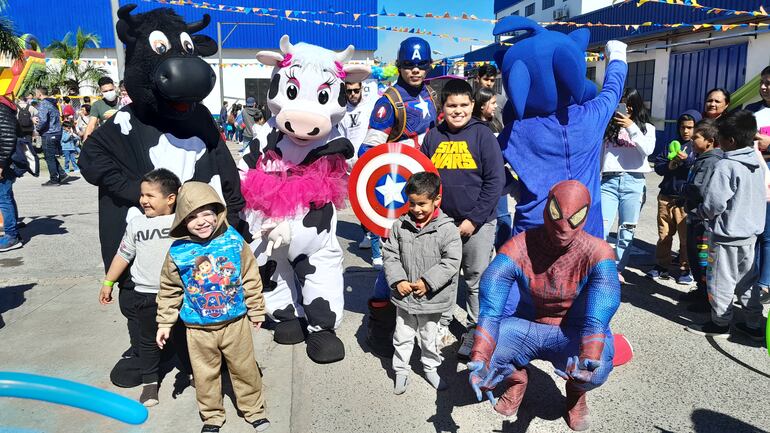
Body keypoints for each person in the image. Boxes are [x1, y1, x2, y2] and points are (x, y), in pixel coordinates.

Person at [468, 180, 620, 431]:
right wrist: (480, 356)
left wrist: (588, 358)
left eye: (574, 219)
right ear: (547, 207)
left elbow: (597, 320)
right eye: (557, 214)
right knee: (485, 358)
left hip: (572, 331)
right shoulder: (518, 247)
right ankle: (517, 379)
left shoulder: (598, 253)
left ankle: (576, 392)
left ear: (585, 215)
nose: (564, 227)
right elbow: (490, 312)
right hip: (526, 327)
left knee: (598, 369)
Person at [156, 181, 270, 433]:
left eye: (207, 213)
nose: (201, 222)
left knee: (245, 369)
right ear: (182, 220)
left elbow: (250, 276)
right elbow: (169, 288)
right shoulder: (178, 251)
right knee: (205, 375)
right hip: (198, 330)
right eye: (191, 217)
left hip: (235, 324)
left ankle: (253, 409)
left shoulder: (234, 240)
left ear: (218, 211)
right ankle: (212, 416)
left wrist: (256, 309)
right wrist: (165, 322)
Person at [420, 78, 505, 357]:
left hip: (478, 224)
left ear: (472, 105)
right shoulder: (433, 136)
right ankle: (442, 325)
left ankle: (475, 330)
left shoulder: (484, 135)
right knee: (444, 277)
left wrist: (474, 220)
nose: (458, 111)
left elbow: (495, 181)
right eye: (452, 105)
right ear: (442, 107)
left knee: (475, 279)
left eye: (464, 105)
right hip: (442, 223)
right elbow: (422, 179)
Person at [362, 37, 439, 341]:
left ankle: (420, 324)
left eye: (421, 64)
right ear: (399, 65)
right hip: (398, 192)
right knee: (393, 262)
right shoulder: (389, 101)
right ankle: (380, 325)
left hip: (429, 189)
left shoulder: (431, 95)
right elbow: (369, 153)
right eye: (409, 64)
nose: (415, 70)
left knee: (427, 257)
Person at [98, 169, 186, 407]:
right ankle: (150, 382)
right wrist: (108, 282)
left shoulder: (183, 221)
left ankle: (192, 371)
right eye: (142, 195)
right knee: (147, 341)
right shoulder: (136, 224)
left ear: (171, 198)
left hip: (180, 295)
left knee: (185, 335)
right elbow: (123, 255)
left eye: (150, 195)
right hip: (146, 294)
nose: (143, 200)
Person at [685, 110, 766, 341]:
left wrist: (701, 213)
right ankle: (753, 323)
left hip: (726, 235)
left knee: (720, 280)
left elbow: (714, 203)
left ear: (729, 141)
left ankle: (720, 323)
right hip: (750, 234)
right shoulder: (757, 162)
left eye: (719, 137)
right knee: (747, 280)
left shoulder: (726, 166)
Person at [383, 172, 461, 394]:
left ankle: (430, 369)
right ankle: (401, 370)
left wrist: (428, 282)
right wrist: (398, 280)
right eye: (412, 203)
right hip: (405, 297)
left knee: (430, 338)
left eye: (422, 204)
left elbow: (451, 261)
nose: (416, 209)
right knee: (402, 336)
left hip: (431, 299)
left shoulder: (447, 229)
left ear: (436, 200)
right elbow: (390, 255)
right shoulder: (400, 226)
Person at [600, 87, 656, 283]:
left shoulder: (647, 128)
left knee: (627, 230)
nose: (627, 108)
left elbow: (648, 150)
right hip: (608, 181)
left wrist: (631, 127)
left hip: (634, 182)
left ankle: (617, 269)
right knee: (601, 227)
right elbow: (599, 154)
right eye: (623, 104)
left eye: (631, 104)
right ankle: (599, 267)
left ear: (637, 105)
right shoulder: (608, 127)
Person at [647, 110, 701, 283]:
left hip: (685, 200)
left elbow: (699, 168)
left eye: (690, 127)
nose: (686, 131)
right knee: (664, 234)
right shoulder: (672, 144)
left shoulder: (698, 147)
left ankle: (686, 269)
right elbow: (658, 165)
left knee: (686, 238)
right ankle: (661, 265)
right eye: (682, 127)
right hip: (666, 196)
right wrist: (669, 165)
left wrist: (686, 161)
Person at [680, 119, 723, 311]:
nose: (692, 140)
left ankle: (707, 298)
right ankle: (700, 289)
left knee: (703, 259)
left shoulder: (711, 161)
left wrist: (683, 190)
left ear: (710, 141)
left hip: (703, 220)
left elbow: (699, 189)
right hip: (695, 217)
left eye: (696, 137)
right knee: (695, 256)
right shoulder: (703, 159)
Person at [745, 65, 770, 303]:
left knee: (768, 233)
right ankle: (749, 280)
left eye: (768, 83)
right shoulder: (751, 111)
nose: (763, 87)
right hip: (752, 172)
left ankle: (764, 283)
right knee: (754, 229)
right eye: (762, 82)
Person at [0, 94, 22, 252]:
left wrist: (1, 163)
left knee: (3, 198)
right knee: (6, 196)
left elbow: (7, 137)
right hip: (5, 161)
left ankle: (11, 236)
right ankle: (12, 232)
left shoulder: (1, 108)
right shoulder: (5, 105)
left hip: (4, 162)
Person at [35, 86, 67, 186]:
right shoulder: (53, 102)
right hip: (57, 132)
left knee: (49, 157)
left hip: (49, 133)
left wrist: (37, 128)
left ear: (39, 94)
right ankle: (62, 174)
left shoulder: (43, 104)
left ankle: (54, 179)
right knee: (51, 156)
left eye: (36, 93)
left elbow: (43, 120)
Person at [339, 80, 374, 169]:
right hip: (350, 164)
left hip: (370, 160)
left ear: (361, 89)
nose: (353, 94)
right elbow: (342, 140)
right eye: (349, 91)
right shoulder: (341, 112)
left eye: (356, 90)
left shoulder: (371, 106)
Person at [83, 76, 119, 142]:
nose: (109, 93)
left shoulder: (124, 101)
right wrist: (85, 142)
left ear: (114, 87)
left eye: (111, 90)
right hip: (108, 140)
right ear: (101, 91)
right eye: (105, 91)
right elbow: (91, 125)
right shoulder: (97, 105)